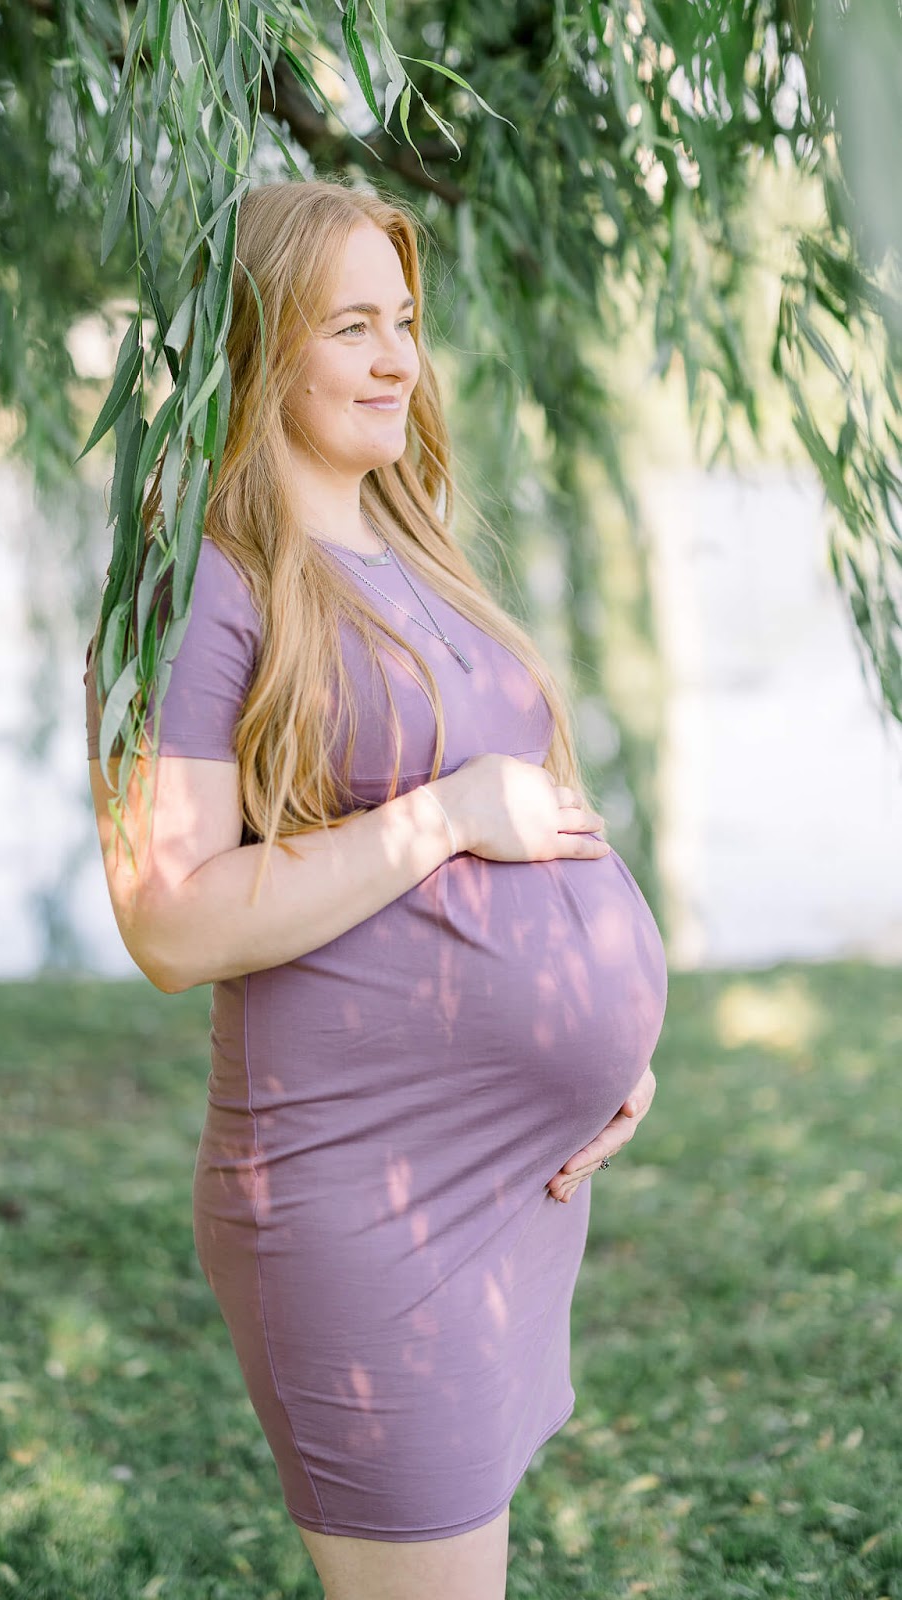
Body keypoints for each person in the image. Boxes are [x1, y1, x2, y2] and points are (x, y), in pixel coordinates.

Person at [85, 177, 668, 1600]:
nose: (400, 359)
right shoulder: (200, 582)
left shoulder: (412, 545)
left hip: (508, 1186)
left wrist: (609, 1049)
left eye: (403, 320)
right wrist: (443, 817)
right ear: (256, 344)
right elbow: (167, 921)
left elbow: (538, 821)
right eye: (352, 325)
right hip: (361, 1197)